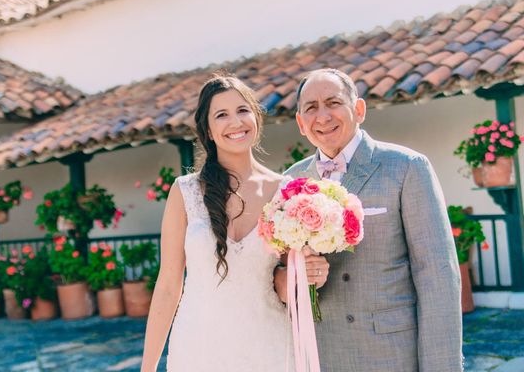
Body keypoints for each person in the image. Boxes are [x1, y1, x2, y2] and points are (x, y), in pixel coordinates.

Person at [275, 68, 462, 371]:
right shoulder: (290, 180)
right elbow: (281, 270)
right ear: (300, 123)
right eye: (311, 108)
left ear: (359, 109)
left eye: (333, 103)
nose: (322, 116)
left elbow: (438, 276)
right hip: (322, 353)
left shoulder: (407, 168)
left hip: (391, 353)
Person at [141, 74, 301, 372]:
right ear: (209, 131)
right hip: (199, 347)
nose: (236, 122)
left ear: (256, 117)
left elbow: (289, 274)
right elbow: (167, 286)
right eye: (222, 115)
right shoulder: (185, 191)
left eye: (243, 111)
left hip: (270, 346)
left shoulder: (285, 192)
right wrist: (147, 367)